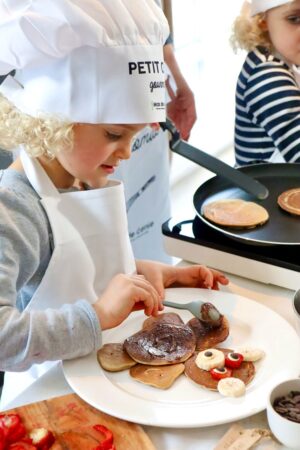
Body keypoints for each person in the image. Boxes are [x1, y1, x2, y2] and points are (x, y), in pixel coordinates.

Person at [0, 0, 228, 409]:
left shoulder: (76, 177)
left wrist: (147, 273)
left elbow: (75, 275)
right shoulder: (14, 208)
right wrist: (98, 316)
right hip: (50, 401)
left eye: (134, 137)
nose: (126, 152)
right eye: (112, 134)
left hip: (105, 385)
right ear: (52, 118)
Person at [113, 0, 197, 263]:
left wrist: (171, 73)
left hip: (147, 79)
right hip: (81, 114)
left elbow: (154, 8)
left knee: (147, 223)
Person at [231, 0, 300, 166]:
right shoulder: (267, 74)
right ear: (262, 20)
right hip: (269, 188)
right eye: (295, 19)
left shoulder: (279, 59)